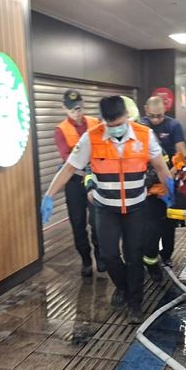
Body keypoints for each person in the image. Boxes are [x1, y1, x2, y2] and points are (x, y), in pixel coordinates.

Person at [41, 96, 174, 324]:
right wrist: (49, 195)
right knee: (109, 255)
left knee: (134, 257)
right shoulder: (92, 138)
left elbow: (160, 166)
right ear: (103, 121)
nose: (115, 129)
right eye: (110, 125)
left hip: (136, 208)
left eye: (119, 123)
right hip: (106, 208)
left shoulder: (144, 135)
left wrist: (170, 188)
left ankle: (135, 304)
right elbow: (69, 168)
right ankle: (121, 287)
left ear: (127, 117)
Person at [53, 90, 104, 277]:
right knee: (78, 222)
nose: (77, 112)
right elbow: (67, 159)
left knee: (97, 221)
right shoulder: (61, 130)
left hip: (95, 179)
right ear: (64, 109)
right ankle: (85, 259)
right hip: (74, 181)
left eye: (79, 107)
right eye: (72, 109)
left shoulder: (95, 123)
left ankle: (100, 255)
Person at [140, 96, 186, 281]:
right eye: (153, 116)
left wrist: (171, 173)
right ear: (145, 110)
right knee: (150, 226)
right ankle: (150, 261)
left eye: (160, 116)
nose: (156, 120)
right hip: (149, 186)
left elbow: (181, 153)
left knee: (168, 223)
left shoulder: (173, 126)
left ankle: (167, 257)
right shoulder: (140, 127)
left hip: (169, 182)